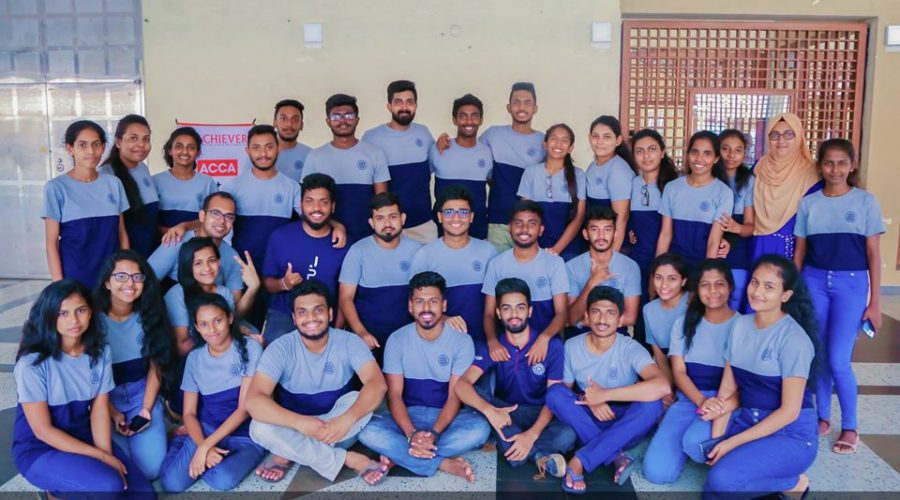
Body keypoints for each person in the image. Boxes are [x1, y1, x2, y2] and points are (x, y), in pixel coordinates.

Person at [13, 280, 154, 496]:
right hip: (39, 449)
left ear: (90, 312)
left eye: (80, 310)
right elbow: (43, 431)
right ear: (50, 316)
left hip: (81, 437)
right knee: (109, 486)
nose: (74, 320)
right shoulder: (32, 363)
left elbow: (99, 412)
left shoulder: (100, 352)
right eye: (63, 314)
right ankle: (54, 491)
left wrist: (107, 456)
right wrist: (101, 458)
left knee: (143, 494)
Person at [246, 280, 389, 485]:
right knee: (258, 426)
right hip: (295, 425)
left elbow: (377, 384)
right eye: (302, 312)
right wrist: (300, 423)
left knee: (358, 399)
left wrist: (346, 419)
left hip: (337, 427)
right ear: (294, 319)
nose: (311, 318)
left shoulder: (349, 341)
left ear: (330, 314)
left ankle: (288, 451)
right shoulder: (280, 348)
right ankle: (347, 459)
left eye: (318, 310)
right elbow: (253, 400)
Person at [794, 138, 885, 455]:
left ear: (852, 165)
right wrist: (794, 292)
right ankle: (822, 416)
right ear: (820, 166)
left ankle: (850, 426)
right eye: (829, 163)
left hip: (852, 285)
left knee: (838, 359)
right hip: (814, 281)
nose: (835, 169)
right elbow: (800, 252)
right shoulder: (809, 204)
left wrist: (875, 302)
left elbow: (874, 255)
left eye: (842, 163)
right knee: (817, 354)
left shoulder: (865, 202)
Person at [702, 255, 818, 499]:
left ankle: (793, 483)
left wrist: (731, 443)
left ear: (785, 295)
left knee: (722, 481)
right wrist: (717, 442)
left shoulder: (794, 339)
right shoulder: (739, 325)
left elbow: (789, 412)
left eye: (769, 286)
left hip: (791, 434)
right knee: (711, 485)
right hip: (749, 421)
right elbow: (726, 390)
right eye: (755, 282)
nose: (757, 292)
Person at [358, 272, 490, 483]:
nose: (426, 308)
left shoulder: (462, 341)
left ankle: (401, 455)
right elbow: (394, 396)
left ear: (444, 305)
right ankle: (443, 463)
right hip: (407, 416)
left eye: (433, 301)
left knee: (480, 429)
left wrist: (434, 434)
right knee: (365, 429)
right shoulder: (397, 339)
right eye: (419, 301)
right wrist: (411, 434)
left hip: (447, 419)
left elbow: (455, 397)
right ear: (410, 306)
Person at [545, 286, 669, 493]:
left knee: (653, 405)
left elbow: (662, 385)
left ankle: (580, 460)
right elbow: (563, 394)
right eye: (596, 312)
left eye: (610, 313)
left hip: (625, 423)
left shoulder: (630, 347)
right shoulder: (572, 346)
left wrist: (604, 395)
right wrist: (591, 401)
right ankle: (615, 456)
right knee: (554, 394)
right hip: (588, 418)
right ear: (587, 316)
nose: (602, 319)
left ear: (620, 320)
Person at [454, 277, 576, 476]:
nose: (514, 314)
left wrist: (532, 434)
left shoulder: (552, 346)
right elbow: (462, 385)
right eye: (507, 308)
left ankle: (513, 444)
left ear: (530, 311)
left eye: (520, 308)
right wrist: (490, 411)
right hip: (506, 412)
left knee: (567, 435)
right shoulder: (494, 347)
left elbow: (553, 398)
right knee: (476, 395)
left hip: (540, 412)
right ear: (498, 313)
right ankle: (538, 455)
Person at [642, 259, 740, 484]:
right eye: (705, 285)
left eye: (719, 284)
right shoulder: (683, 323)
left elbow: (745, 383)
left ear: (730, 287)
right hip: (690, 397)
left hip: (725, 401)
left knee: (695, 444)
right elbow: (679, 372)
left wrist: (720, 406)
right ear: (696, 289)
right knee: (656, 473)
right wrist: (701, 401)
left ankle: (734, 442)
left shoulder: (743, 325)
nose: (712, 291)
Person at [159, 293, 267, 492]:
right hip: (207, 428)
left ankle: (198, 448)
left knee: (221, 479)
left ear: (230, 318)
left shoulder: (251, 347)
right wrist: (203, 445)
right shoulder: (194, 358)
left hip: (245, 434)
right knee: (172, 483)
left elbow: (244, 409)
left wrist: (204, 447)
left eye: (218, 320)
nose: (212, 329)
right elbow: (189, 413)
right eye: (204, 324)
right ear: (197, 327)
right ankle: (185, 442)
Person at [95, 250, 176, 481]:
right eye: (121, 276)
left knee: (151, 470)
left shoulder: (150, 315)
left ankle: (164, 428)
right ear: (107, 282)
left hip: (142, 395)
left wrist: (146, 409)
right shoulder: (93, 320)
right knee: (121, 465)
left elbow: (155, 367)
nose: (130, 283)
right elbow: (88, 377)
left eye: (137, 277)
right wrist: (112, 412)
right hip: (105, 399)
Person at [262, 173, 350, 343]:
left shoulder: (344, 244)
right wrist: (283, 284)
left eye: (324, 202)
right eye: (309, 201)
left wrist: (338, 332)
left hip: (325, 316)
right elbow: (267, 283)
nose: (316, 208)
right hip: (284, 314)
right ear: (301, 204)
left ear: (332, 206)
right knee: (276, 350)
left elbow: (345, 295)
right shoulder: (280, 237)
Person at [481, 201, 568, 367]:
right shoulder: (497, 264)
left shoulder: (555, 263)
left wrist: (544, 339)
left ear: (541, 230)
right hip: (507, 348)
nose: (524, 229)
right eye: (518, 223)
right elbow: (489, 314)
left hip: (544, 346)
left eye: (532, 224)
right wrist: (492, 342)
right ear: (510, 228)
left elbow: (562, 313)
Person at [44, 120, 129, 288]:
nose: (91, 151)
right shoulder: (56, 187)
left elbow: (122, 234)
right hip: (74, 276)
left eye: (96, 144)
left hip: (110, 276)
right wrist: (59, 285)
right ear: (70, 148)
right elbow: (51, 243)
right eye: (82, 145)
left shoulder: (114, 184)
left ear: (103, 147)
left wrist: (125, 272)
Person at [411, 185, 497, 348]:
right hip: (441, 340)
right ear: (440, 217)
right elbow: (414, 304)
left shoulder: (488, 251)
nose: (456, 218)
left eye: (463, 212)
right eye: (449, 212)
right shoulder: (425, 255)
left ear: (471, 217)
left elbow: (497, 302)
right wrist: (445, 318)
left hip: (483, 341)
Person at [339, 193, 422, 360]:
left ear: (403, 219)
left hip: (407, 336)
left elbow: (425, 296)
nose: (387, 224)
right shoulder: (358, 251)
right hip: (368, 337)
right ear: (372, 223)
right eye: (380, 218)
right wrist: (361, 332)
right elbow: (345, 298)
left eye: (393, 217)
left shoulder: (418, 250)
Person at [302, 93, 390, 243]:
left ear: (357, 119)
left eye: (348, 115)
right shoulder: (315, 157)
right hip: (326, 237)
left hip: (367, 237)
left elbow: (382, 203)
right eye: (336, 116)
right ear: (328, 121)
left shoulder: (375, 153)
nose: (342, 121)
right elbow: (306, 204)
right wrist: (335, 225)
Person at [362, 80, 437, 243]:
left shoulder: (423, 133)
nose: (404, 107)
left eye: (409, 102)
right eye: (398, 102)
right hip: (388, 226)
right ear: (389, 106)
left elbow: (431, 168)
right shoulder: (372, 137)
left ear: (416, 105)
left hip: (423, 224)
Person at [626, 129, 680, 347]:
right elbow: (629, 218)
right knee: (641, 314)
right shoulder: (633, 183)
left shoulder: (674, 186)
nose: (646, 156)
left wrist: (657, 269)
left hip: (665, 261)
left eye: (651, 149)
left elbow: (669, 231)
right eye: (639, 151)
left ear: (662, 152)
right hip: (638, 259)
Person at [164, 237, 259, 356]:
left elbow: (231, 324)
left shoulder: (224, 292)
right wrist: (228, 332)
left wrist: (253, 287)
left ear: (219, 262)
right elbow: (181, 347)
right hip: (188, 358)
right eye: (198, 263)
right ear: (188, 267)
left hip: (219, 351)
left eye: (212, 260)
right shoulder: (177, 295)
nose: (207, 268)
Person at [656, 130, 733, 266]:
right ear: (687, 154)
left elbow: (714, 241)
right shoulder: (672, 187)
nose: (699, 159)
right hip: (674, 268)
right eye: (694, 152)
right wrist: (657, 268)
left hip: (701, 267)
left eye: (707, 154)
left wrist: (706, 273)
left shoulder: (724, 193)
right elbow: (665, 234)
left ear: (716, 158)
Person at [751, 112, 821, 260]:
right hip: (759, 243)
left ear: (798, 136)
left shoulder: (813, 172)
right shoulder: (759, 168)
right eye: (774, 135)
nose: (781, 140)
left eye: (788, 134)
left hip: (795, 247)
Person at [148, 191, 245, 297]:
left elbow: (235, 303)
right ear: (202, 215)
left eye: (229, 217)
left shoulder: (233, 257)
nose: (222, 221)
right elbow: (146, 281)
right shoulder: (177, 240)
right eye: (215, 213)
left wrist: (253, 287)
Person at [517, 123, 586, 261]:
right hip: (536, 248)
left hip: (569, 249)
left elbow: (579, 217)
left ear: (570, 148)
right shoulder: (531, 172)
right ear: (545, 144)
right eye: (554, 139)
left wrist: (556, 250)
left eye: (564, 140)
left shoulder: (578, 175)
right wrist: (535, 248)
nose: (558, 144)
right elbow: (526, 215)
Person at [566, 206, 641, 333]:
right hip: (582, 334)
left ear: (615, 233)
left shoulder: (630, 266)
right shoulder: (571, 267)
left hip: (616, 334)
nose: (601, 235)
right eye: (595, 229)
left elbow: (630, 317)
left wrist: (585, 323)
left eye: (607, 229)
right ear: (586, 234)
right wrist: (592, 282)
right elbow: (572, 318)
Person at [429, 94, 492, 239]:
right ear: (454, 120)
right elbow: (420, 181)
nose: (469, 121)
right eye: (463, 116)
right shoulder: (438, 149)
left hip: (477, 228)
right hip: (443, 230)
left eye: (474, 116)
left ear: (481, 120)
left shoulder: (488, 152)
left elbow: (493, 184)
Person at [99, 114, 160, 258]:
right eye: (133, 138)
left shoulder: (143, 168)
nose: (141, 144)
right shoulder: (105, 175)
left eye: (146, 139)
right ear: (118, 142)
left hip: (151, 253)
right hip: (126, 257)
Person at [715, 129, 755, 312]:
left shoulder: (748, 181)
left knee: (734, 303)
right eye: (726, 149)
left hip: (737, 251)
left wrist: (735, 227)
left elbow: (750, 227)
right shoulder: (708, 176)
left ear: (744, 154)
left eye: (738, 150)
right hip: (708, 246)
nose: (731, 155)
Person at [643, 253, 690, 407]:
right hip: (670, 372)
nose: (664, 285)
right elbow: (660, 357)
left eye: (672, 279)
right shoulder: (649, 310)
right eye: (658, 278)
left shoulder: (693, 303)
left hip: (694, 374)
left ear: (683, 281)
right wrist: (669, 391)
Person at [584, 116, 635, 251]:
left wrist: (611, 257)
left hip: (614, 247)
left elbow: (621, 219)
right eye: (595, 136)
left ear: (618, 140)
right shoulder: (592, 166)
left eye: (607, 137)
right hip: (597, 243)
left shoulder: (618, 170)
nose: (600, 141)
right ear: (589, 138)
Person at [153, 126, 216, 231]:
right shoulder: (155, 182)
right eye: (179, 146)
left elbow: (214, 218)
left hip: (197, 241)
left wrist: (186, 227)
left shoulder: (207, 183)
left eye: (191, 147)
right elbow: (147, 219)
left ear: (198, 152)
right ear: (170, 150)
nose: (185, 152)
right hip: (161, 240)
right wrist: (169, 234)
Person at [272, 99, 313, 183]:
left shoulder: (310, 155)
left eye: (295, 120)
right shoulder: (262, 155)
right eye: (283, 119)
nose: (289, 124)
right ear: (275, 122)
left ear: (301, 125)